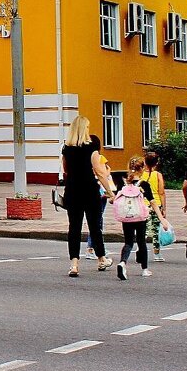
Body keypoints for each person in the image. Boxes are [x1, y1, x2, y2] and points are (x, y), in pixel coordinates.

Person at [61, 115, 118, 277]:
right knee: (95, 226)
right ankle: (101, 259)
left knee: (74, 227)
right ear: (84, 129)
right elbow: (100, 172)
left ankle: (74, 264)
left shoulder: (66, 148)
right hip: (89, 190)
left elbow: (65, 169)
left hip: (72, 191)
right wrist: (110, 192)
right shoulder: (91, 147)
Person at [115, 156, 167, 280]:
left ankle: (122, 262)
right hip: (140, 216)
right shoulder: (143, 185)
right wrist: (162, 219)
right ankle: (144, 269)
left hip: (126, 216)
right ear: (142, 169)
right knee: (141, 242)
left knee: (128, 242)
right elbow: (153, 202)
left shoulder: (123, 184)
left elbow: (114, 199)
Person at [85, 147, 110, 260]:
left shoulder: (85, 159)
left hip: (89, 190)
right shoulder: (100, 158)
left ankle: (92, 248)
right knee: (97, 221)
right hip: (100, 191)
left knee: (95, 221)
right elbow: (103, 173)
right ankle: (92, 248)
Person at [143, 151, 167, 261]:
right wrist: (163, 208)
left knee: (143, 229)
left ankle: (140, 249)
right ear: (156, 163)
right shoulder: (158, 175)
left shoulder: (140, 174)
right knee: (156, 230)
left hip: (143, 204)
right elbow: (161, 192)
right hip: (156, 204)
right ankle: (157, 254)